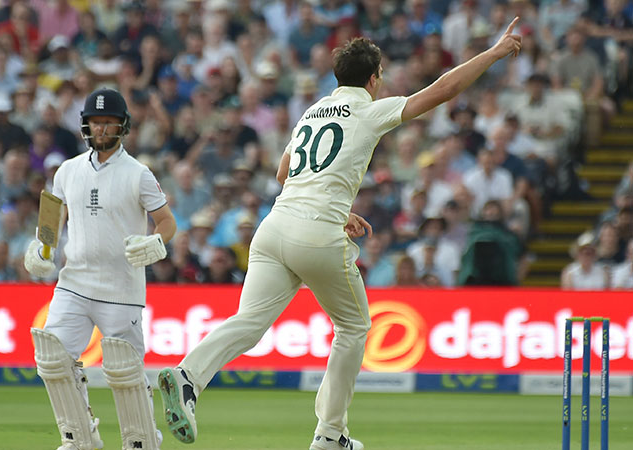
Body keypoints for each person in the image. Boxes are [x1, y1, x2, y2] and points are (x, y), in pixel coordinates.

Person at [158, 19, 522, 450]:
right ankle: (330, 435)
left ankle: (188, 376)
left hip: (273, 229)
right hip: (316, 235)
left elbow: (282, 172)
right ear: (374, 78)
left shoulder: (311, 113)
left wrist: (336, 200)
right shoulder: (370, 108)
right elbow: (442, 90)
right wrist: (495, 53)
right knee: (353, 327)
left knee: (250, 322)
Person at [23, 88, 176, 450]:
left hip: (121, 288)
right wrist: (41, 246)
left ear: (122, 127)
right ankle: (79, 437)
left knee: (124, 370)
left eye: (109, 122)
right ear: (85, 125)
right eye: (96, 122)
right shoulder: (66, 171)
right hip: (73, 281)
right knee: (53, 357)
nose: (102, 129)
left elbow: (167, 221)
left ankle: (141, 441)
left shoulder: (138, 174)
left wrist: (156, 242)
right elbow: (51, 218)